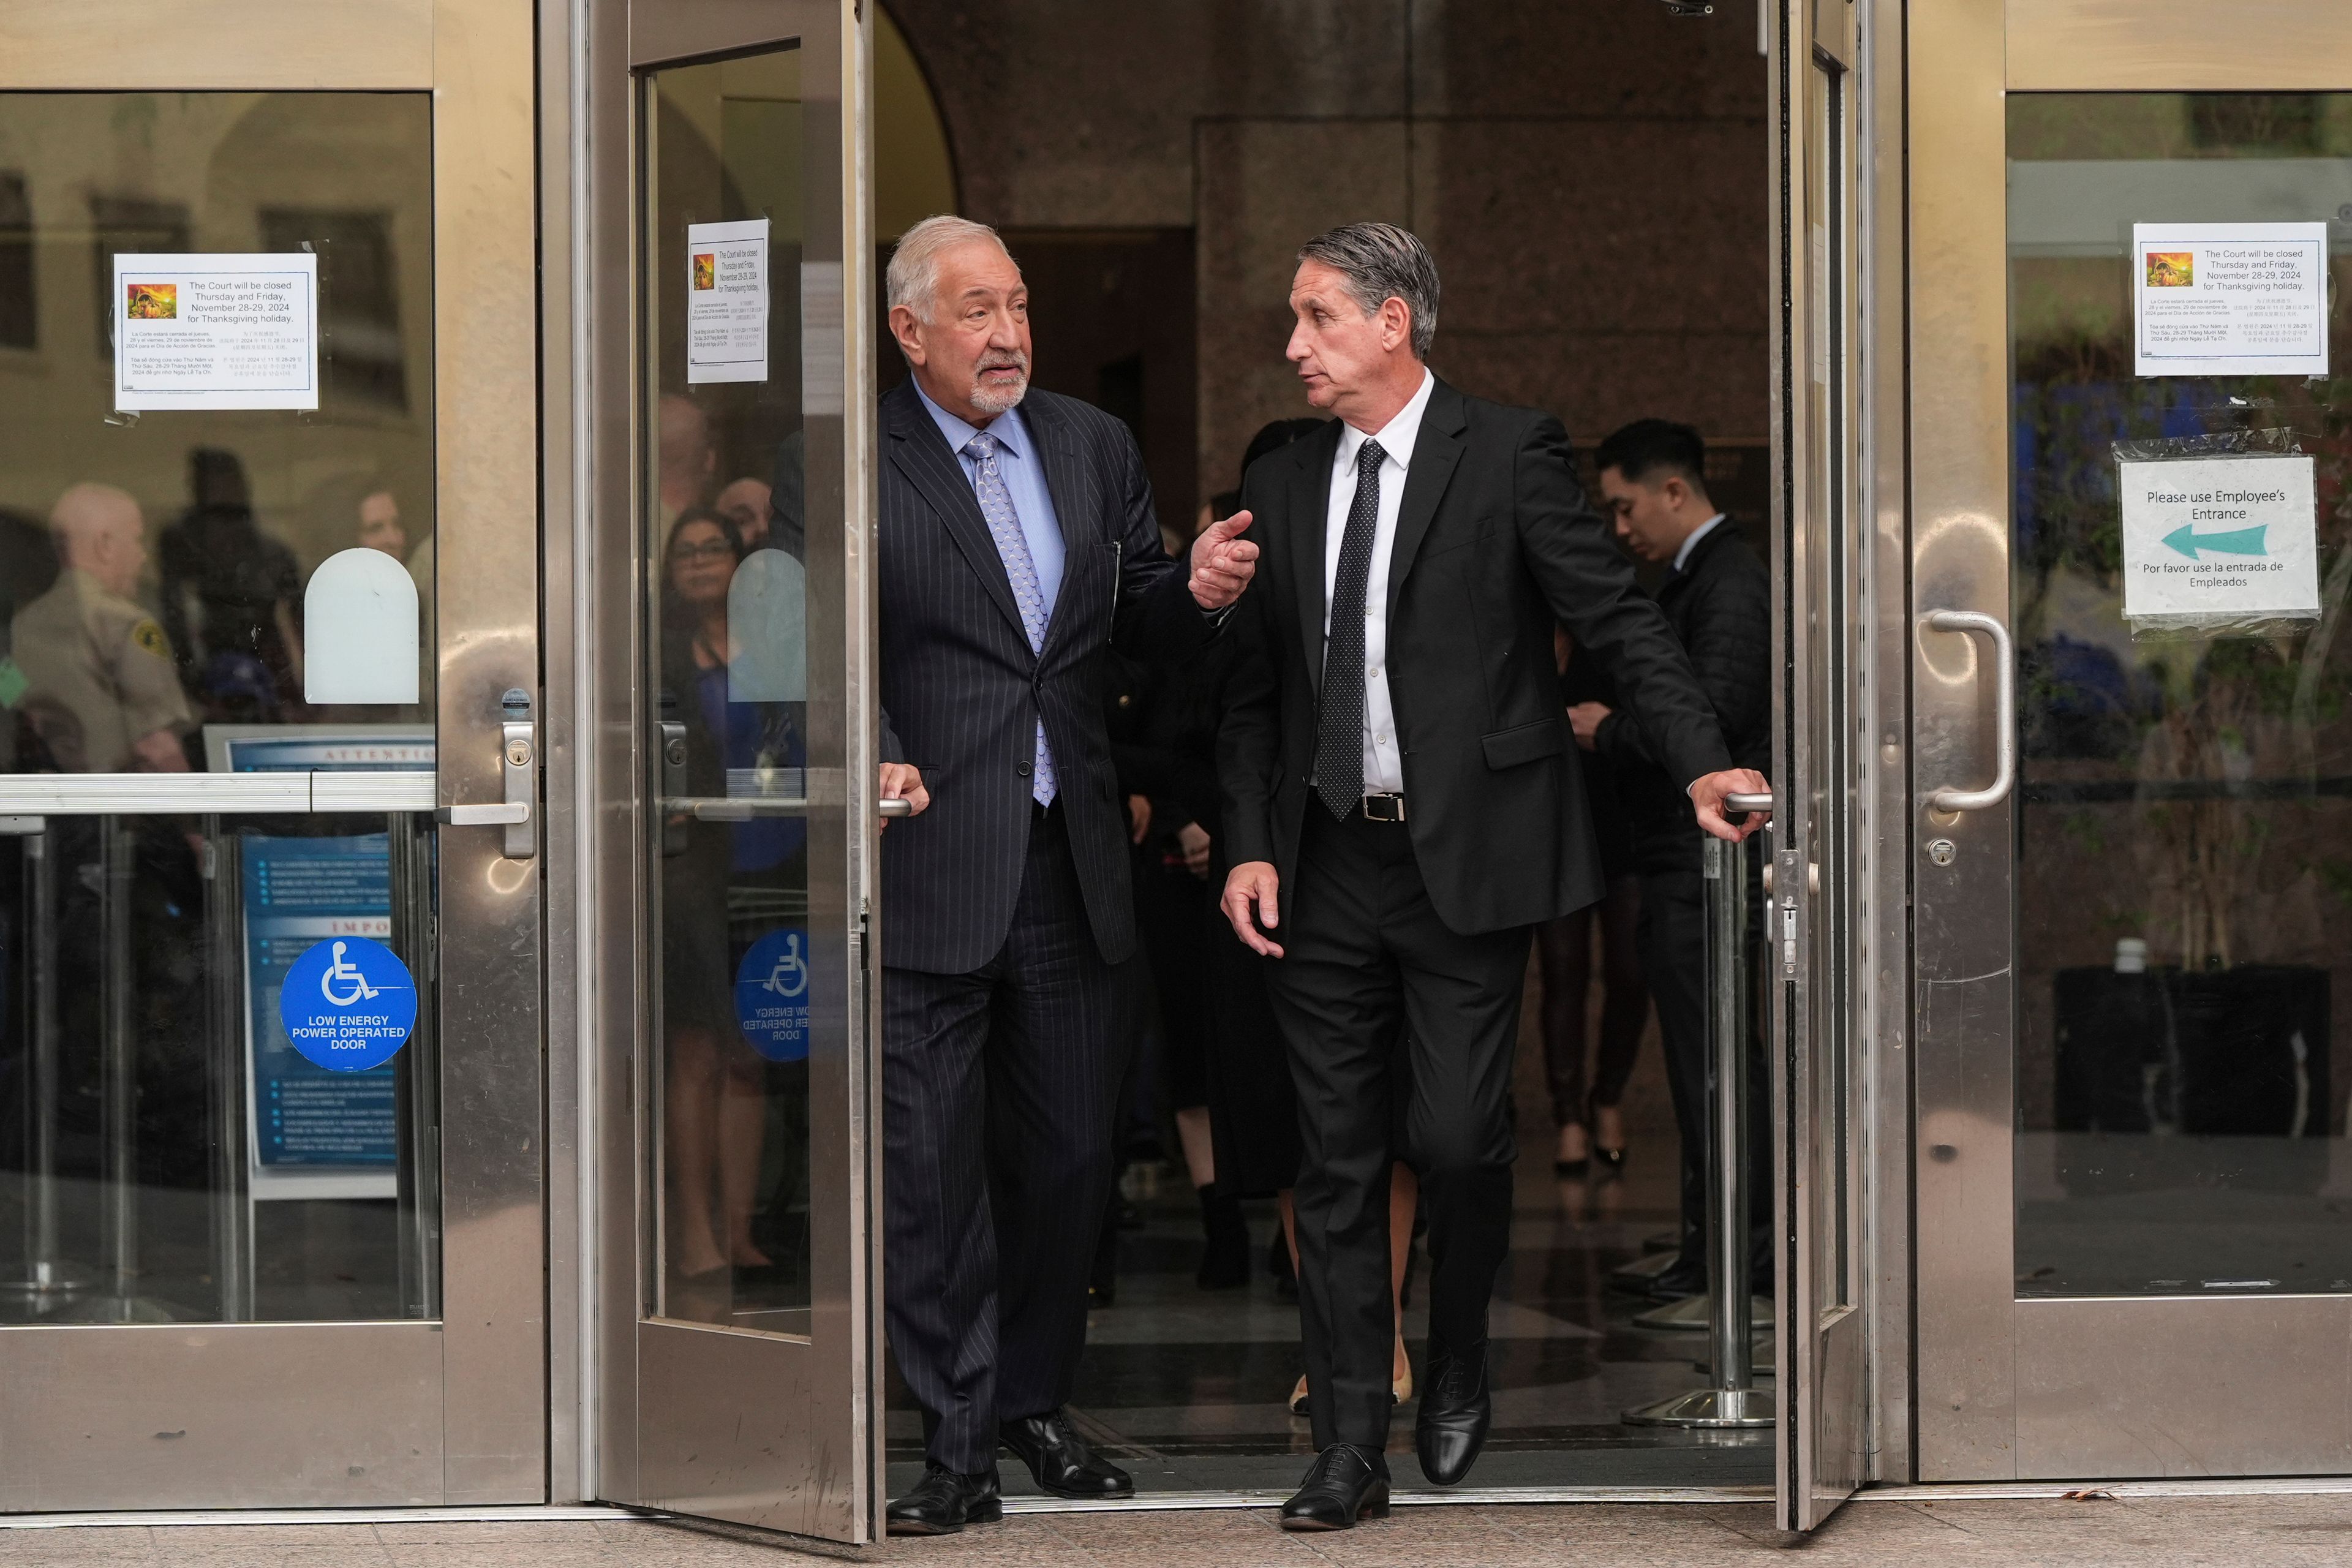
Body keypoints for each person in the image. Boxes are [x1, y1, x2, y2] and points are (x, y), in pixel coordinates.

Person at [1218, 222, 1768, 1529]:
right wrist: (1245, 837)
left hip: (1464, 852)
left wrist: (1698, 761)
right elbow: (1254, 692)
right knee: (1336, 1157)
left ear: (1392, 321)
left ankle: (1458, 1341)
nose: (1293, 344)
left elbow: (1620, 615)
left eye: (1315, 317)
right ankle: (1352, 1437)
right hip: (1322, 856)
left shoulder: (1506, 449)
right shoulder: (1287, 476)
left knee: (1460, 1137)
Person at [870, 214, 1257, 1536]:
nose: (1010, 335)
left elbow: (1131, 617)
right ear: (908, 330)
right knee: (931, 1170)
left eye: (1020, 306)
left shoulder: (1090, 443)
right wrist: (868, 755)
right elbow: (815, 633)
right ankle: (955, 1438)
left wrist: (1192, 588)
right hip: (929, 853)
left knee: (1075, 1156)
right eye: (977, 311)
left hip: (1072, 853)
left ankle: (1033, 1399)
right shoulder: (855, 460)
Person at [1569, 418, 1771, 1301]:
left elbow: (1715, 715)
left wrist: (1609, 728)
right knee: (1703, 1063)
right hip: (1681, 860)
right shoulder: (1700, 575)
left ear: (1675, 492)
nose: (1621, 528)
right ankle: (1714, 1250)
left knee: (1717, 1065)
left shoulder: (1726, 578)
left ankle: (1740, 1259)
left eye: (1625, 507)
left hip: (1706, 860)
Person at [655, 507, 772, 1284]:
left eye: (714, 548)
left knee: (753, 1047)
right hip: (688, 868)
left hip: (773, 861)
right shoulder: (657, 656)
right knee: (695, 1048)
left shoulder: (774, 646)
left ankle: (741, 1232)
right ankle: (692, 1232)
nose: (701, 562)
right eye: (686, 552)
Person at [1538, 629, 1648, 1176]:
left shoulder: (1606, 641)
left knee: (1630, 973)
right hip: (1550, 839)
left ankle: (1607, 1098)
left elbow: (1642, 722)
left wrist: (1605, 728)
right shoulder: (1513, 640)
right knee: (1565, 977)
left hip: (1620, 832)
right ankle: (1569, 1121)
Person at [13, 483, 194, 774]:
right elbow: (156, 746)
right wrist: (194, 815)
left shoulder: (22, 625)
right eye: (136, 540)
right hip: (113, 804)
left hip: (44, 801)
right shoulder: (126, 625)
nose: (143, 556)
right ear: (105, 545)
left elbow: (15, 704)